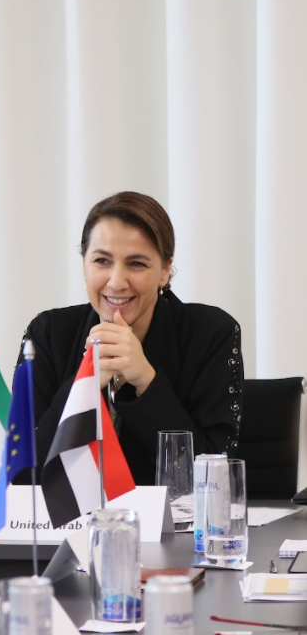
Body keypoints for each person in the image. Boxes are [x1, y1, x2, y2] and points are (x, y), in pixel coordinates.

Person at [22, 191, 241, 486]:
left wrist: (145, 380)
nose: (116, 282)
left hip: (175, 530)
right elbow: (23, 473)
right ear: (84, 265)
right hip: (70, 527)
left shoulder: (211, 332)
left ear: (165, 270)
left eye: (137, 264)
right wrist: (84, 383)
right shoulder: (47, 333)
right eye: (102, 261)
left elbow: (213, 478)